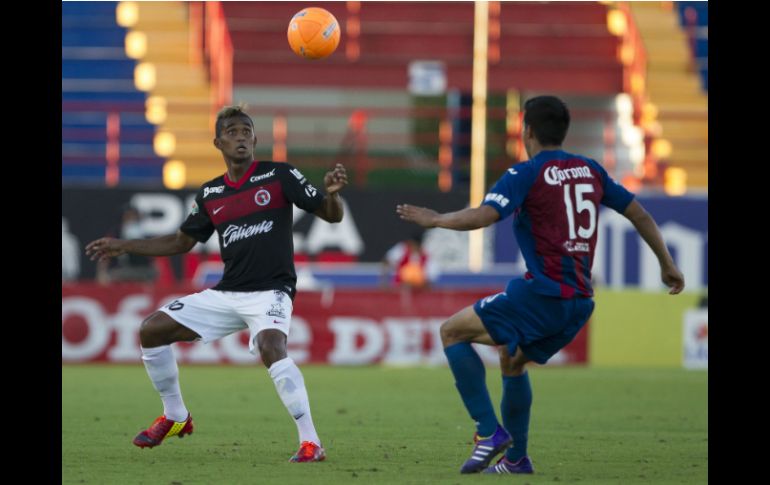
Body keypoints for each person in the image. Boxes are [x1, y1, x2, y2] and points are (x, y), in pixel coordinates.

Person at [396, 95, 684, 475]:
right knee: (512, 361)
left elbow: (485, 215)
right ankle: (516, 460)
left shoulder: (526, 173)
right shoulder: (590, 170)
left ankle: (488, 432)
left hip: (542, 294)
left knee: (452, 332)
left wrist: (436, 219)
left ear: (526, 130)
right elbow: (640, 213)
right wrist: (667, 264)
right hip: (580, 303)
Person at [86, 105, 348, 463]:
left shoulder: (279, 175)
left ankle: (311, 442)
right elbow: (181, 242)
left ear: (255, 138)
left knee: (272, 345)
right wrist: (124, 245)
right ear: (218, 142)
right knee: (151, 330)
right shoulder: (211, 194)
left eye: (246, 131)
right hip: (227, 293)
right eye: (232, 132)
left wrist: (332, 194)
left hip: (271, 290)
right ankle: (176, 415)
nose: (240, 137)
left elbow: (331, 217)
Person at [96, 205, 158, 283]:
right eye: (128, 216)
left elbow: (154, 257)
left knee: (151, 274)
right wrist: (101, 273)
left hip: (143, 269)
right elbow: (104, 254)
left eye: (134, 216)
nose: (131, 219)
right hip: (121, 269)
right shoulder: (116, 233)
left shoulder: (145, 233)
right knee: (113, 276)